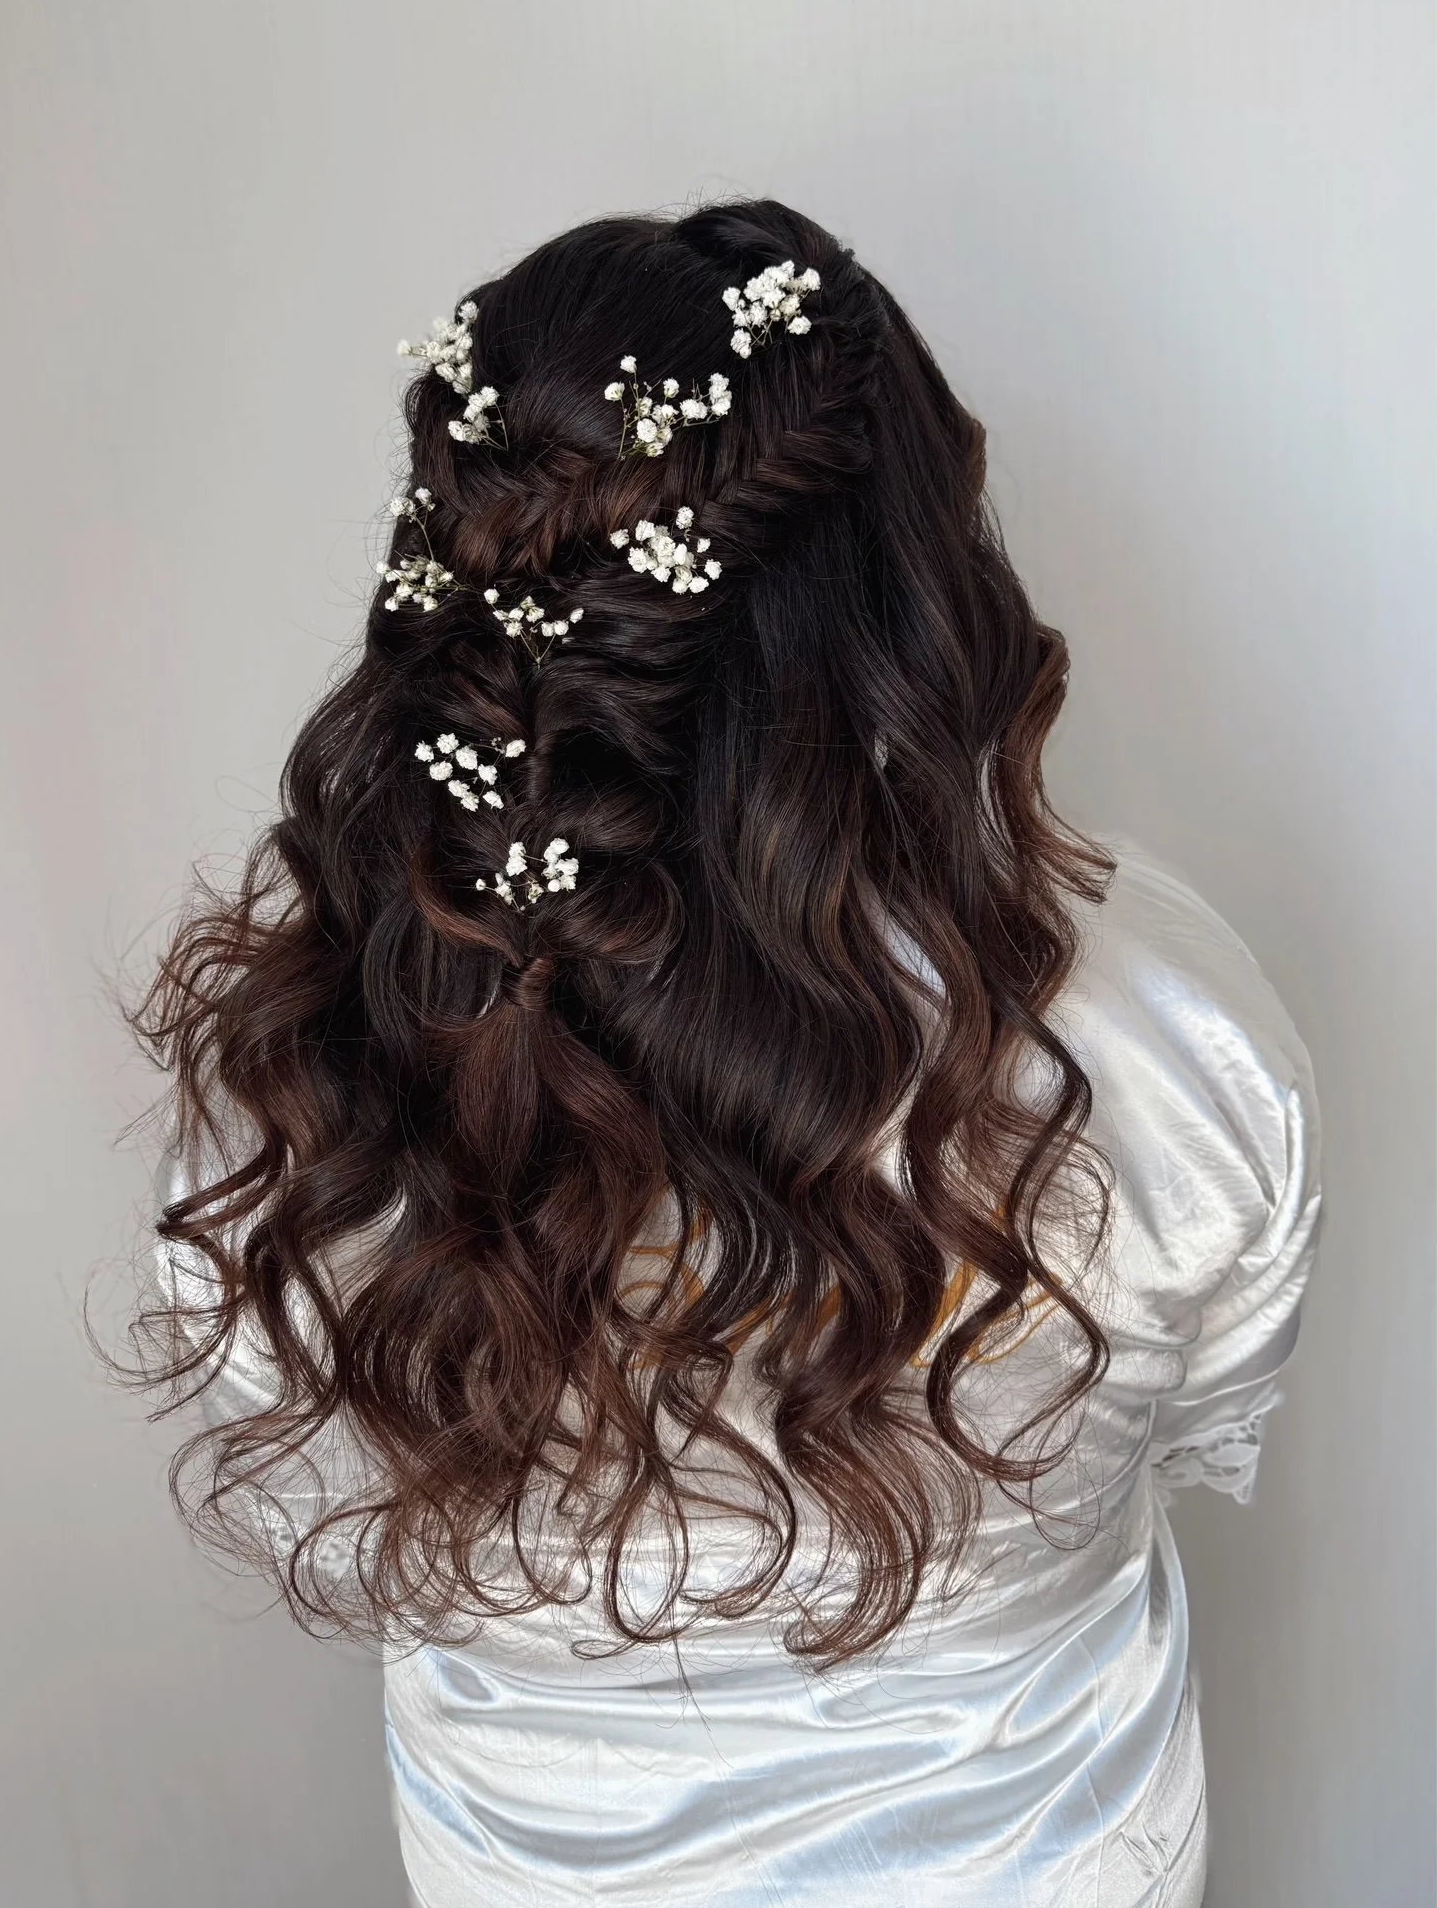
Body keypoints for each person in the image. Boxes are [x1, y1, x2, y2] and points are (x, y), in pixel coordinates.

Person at [130, 198, 1322, 1907]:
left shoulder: (295, 1091)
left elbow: (331, 1467)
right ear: (914, 601)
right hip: (1045, 1855)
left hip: (533, 1863)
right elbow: (1210, 1426)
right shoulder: (1166, 1037)